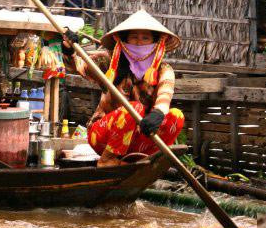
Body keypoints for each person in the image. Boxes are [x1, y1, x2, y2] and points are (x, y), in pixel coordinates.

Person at [63, 10, 184, 167]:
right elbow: (77, 66)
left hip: (136, 139)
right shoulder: (109, 61)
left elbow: (165, 96)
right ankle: (108, 160)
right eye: (134, 37)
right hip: (103, 137)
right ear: (125, 40)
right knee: (135, 108)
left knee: (176, 116)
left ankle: (144, 159)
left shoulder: (163, 69)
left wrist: (158, 113)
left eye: (145, 38)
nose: (139, 43)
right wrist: (69, 49)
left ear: (155, 42)